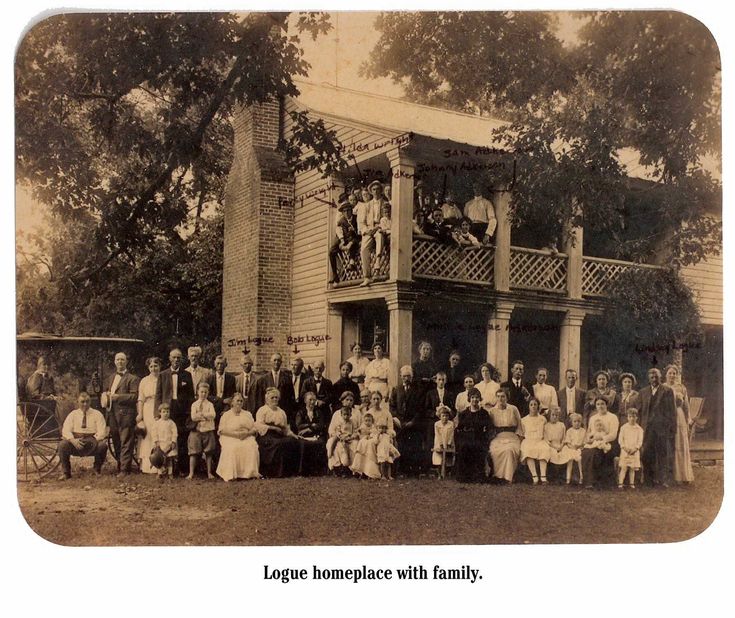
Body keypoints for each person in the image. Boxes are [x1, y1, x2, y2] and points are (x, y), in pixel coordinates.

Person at [156, 348, 195, 475]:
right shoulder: (163, 375)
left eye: (179, 357)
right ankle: (164, 467)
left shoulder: (186, 375)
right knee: (166, 437)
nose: (176, 360)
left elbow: (190, 396)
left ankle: (182, 468)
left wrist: (189, 412)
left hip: (181, 410)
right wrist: (157, 413)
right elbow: (158, 395)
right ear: (169, 358)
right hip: (167, 409)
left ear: (181, 359)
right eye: (174, 357)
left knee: (181, 438)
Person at [638, 367, 677, 488]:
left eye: (656, 377)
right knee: (647, 453)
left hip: (662, 428)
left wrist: (672, 428)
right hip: (647, 428)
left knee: (662, 454)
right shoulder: (643, 392)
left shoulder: (667, 391)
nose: (654, 379)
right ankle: (649, 480)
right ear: (648, 379)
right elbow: (639, 411)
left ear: (660, 378)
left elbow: (672, 411)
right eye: (652, 377)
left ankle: (662, 480)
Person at [102, 352, 140, 477]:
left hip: (126, 414)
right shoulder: (110, 378)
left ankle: (125, 469)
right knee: (116, 440)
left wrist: (117, 397)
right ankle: (120, 465)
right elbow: (106, 394)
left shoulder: (132, 378)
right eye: (118, 360)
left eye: (122, 360)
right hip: (112, 414)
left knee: (126, 441)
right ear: (114, 362)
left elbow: (134, 397)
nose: (120, 362)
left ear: (126, 362)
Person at [57, 392, 108, 480]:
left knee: (103, 446)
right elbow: (65, 430)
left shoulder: (97, 414)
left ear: (90, 402)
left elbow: (102, 431)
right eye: (82, 402)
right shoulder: (73, 414)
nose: (85, 404)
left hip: (92, 443)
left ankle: (96, 470)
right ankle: (66, 473)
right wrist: (73, 440)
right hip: (76, 443)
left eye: (87, 401)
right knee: (62, 445)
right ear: (77, 402)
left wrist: (92, 440)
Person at [391, 365, 430, 475]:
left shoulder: (418, 390)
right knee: (401, 446)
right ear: (400, 376)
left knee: (414, 446)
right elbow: (392, 406)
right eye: (404, 376)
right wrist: (397, 419)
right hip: (400, 423)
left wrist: (413, 421)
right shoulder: (396, 389)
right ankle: (401, 469)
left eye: (408, 376)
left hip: (413, 423)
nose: (406, 379)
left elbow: (421, 408)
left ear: (412, 377)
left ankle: (413, 470)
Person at [254, 387, 301, 478]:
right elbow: (259, 426)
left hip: (279, 435)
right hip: (267, 436)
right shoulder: (262, 410)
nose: (275, 399)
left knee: (292, 441)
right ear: (267, 400)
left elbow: (285, 428)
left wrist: (292, 435)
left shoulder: (281, 412)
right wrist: (273, 428)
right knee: (279, 443)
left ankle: (288, 471)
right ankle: (274, 472)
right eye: (272, 398)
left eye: (276, 397)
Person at [216, 392, 260, 481]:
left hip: (246, 436)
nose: (239, 403)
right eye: (237, 401)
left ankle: (249, 473)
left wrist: (247, 434)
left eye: (241, 401)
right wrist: (235, 435)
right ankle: (231, 474)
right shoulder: (226, 415)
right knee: (233, 447)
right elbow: (221, 430)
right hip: (230, 436)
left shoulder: (248, 414)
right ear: (232, 402)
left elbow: (254, 428)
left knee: (252, 446)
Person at [664, 364, 695, 483]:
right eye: (670, 373)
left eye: (674, 373)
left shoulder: (681, 388)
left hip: (679, 416)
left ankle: (682, 475)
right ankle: (668, 476)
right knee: (668, 446)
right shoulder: (662, 387)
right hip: (666, 417)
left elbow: (686, 405)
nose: (672, 375)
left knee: (680, 444)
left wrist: (688, 420)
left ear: (677, 375)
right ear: (666, 374)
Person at [581, 397, 620, 489]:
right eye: (598, 404)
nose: (600, 406)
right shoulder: (593, 418)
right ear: (595, 406)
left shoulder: (613, 417)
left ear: (606, 405)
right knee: (585, 452)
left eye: (602, 404)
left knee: (595, 453)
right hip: (594, 442)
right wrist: (589, 439)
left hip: (609, 444)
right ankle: (588, 481)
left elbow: (613, 435)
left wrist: (601, 437)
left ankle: (595, 481)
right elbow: (589, 432)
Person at [454, 388, 492, 483]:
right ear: (469, 399)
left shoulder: (484, 413)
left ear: (480, 399)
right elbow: (459, 429)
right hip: (466, 438)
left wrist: (485, 439)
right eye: (472, 397)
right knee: (464, 447)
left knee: (477, 447)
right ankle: (465, 476)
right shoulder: (463, 414)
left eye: (477, 397)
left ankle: (477, 476)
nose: (475, 400)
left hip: (479, 438)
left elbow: (488, 429)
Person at [488, 389, 523, 483]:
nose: (500, 399)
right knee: (495, 451)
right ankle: (497, 476)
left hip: (512, 436)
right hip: (498, 437)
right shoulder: (492, 411)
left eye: (503, 396)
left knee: (509, 450)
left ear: (507, 398)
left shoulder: (513, 409)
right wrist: (491, 437)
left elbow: (520, 424)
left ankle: (508, 477)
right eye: (498, 396)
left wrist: (520, 438)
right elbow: (489, 427)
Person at [136, 356, 162, 474]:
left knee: (158, 434)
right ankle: (146, 465)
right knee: (148, 435)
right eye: (151, 366)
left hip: (159, 409)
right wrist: (140, 414)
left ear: (159, 366)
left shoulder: (163, 378)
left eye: (156, 366)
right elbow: (140, 399)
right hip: (147, 409)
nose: (153, 368)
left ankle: (159, 464)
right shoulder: (144, 381)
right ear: (148, 368)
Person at [251, 352, 296, 422]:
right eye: (274, 360)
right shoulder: (263, 379)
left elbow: (291, 398)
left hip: (283, 413)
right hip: (268, 413)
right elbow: (259, 399)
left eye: (278, 360)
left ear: (281, 362)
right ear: (271, 362)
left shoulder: (287, 378)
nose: (276, 362)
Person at [294, 391, 329, 476]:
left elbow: (321, 424)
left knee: (321, 443)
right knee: (303, 445)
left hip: (316, 435)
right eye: (310, 400)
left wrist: (309, 428)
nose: (312, 402)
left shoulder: (318, 412)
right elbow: (299, 426)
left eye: (314, 400)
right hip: (304, 436)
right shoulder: (301, 412)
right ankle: (303, 471)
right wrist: (311, 425)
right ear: (305, 401)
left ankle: (318, 471)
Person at [187, 381, 217, 480]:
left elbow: (212, 415)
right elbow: (193, 417)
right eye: (201, 392)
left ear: (208, 393)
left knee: (209, 452)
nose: (203, 394)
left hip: (208, 430)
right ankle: (191, 473)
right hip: (196, 431)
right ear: (198, 392)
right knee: (193, 452)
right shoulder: (194, 404)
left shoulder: (210, 405)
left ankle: (209, 472)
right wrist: (205, 416)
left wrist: (202, 415)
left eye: (205, 392)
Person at [328, 196, 360, 284]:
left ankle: (352, 262)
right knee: (331, 251)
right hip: (345, 239)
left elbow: (359, 233)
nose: (346, 213)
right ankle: (335, 274)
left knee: (353, 243)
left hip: (356, 238)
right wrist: (342, 242)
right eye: (344, 211)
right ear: (342, 212)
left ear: (351, 210)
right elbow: (340, 232)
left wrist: (351, 241)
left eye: (348, 210)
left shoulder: (357, 218)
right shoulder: (342, 221)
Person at [357, 180, 383, 286]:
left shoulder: (386, 203)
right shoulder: (366, 205)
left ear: (381, 191)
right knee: (363, 249)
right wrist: (366, 231)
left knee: (380, 236)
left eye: (377, 189)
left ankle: (377, 262)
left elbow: (388, 218)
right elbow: (361, 222)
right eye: (373, 189)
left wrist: (379, 227)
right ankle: (367, 276)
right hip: (369, 230)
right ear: (371, 192)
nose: (376, 191)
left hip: (381, 228)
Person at [520, 398, 551, 484]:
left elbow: (545, 432)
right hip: (528, 441)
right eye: (531, 404)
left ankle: (543, 476)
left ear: (538, 406)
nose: (533, 406)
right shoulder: (523, 420)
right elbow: (522, 434)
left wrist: (547, 441)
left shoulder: (543, 419)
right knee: (528, 451)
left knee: (544, 449)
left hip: (540, 440)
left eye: (535, 404)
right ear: (528, 406)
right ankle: (535, 476)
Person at [327, 392, 358, 474]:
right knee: (331, 442)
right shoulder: (337, 413)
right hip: (339, 437)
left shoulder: (357, 413)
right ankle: (337, 467)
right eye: (347, 400)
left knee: (355, 444)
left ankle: (351, 468)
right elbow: (331, 429)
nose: (349, 402)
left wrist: (352, 436)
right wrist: (337, 435)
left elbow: (359, 429)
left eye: (351, 400)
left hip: (351, 437)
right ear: (342, 401)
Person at [618, 408, 644, 489]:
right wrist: (624, 447)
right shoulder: (624, 427)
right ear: (627, 417)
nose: (632, 418)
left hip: (634, 451)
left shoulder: (639, 429)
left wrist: (635, 448)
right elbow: (620, 439)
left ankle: (631, 483)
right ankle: (620, 483)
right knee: (624, 467)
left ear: (637, 417)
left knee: (632, 468)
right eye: (630, 416)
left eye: (634, 416)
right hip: (625, 450)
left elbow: (640, 441)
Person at [150, 403, 178, 480]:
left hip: (169, 444)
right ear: (160, 413)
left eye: (167, 412)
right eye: (164, 412)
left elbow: (175, 433)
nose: (166, 414)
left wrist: (173, 442)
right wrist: (156, 441)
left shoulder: (171, 423)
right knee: (159, 459)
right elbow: (154, 433)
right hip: (160, 445)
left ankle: (170, 473)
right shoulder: (157, 423)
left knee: (169, 460)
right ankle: (160, 473)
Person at [351, 411, 381, 479]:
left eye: (369, 421)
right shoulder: (362, 427)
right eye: (366, 421)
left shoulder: (373, 427)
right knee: (362, 444)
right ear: (364, 421)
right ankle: (359, 471)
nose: (367, 422)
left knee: (369, 445)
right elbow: (358, 432)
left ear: (372, 421)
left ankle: (368, 472)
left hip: (370, 441)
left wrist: (370, 435)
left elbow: (374, 435)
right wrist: (359, 433)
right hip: (363, 442)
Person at [206, 354, 236, 420]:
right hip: (213, 407)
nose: (219, 366)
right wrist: (222, 400)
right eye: (218, 363)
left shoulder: (231, 379)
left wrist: (226, 410)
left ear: (226, 365)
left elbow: (232, 396)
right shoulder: (209, 379)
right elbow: (208, 395)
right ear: (214, 365)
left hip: (227, 408)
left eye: (222, 364)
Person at [544, 407, 569, 480]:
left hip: (560, 444)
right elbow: (546, 440)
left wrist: (561, 446)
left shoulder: (561, 425)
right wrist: (554, 447)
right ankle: (554, 475)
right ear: (549, 416)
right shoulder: (546, 426)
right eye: (553, 415)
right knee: (552, 453)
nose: (554, 417)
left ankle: (563, 475)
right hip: (552, 445)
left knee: (566, 451)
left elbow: (564, 437)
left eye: (556, 415)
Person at [560, 413, 586, 485]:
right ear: (571, 423)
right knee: (570, 459)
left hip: (580, 448)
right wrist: (572, 447)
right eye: (575, 421)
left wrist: (579, 446)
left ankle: (581, 477)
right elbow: (567, 442)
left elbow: (584, 442)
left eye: (578, 421)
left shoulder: (583, 431)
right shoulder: (569, 431)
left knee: (580, 458)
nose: (577, 423)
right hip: (571, 448)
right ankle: (568, 478)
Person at [432, 406, 455, 477]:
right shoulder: (437, 424)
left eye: (447, 416)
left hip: (448, 441)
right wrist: (441, 443)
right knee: (439, 457)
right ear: (440, 416)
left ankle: (447, 472)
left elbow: (451, 434)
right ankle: (439, 473)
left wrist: (449, 443)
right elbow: (437, 434)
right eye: (443, 416)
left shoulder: (451, 424)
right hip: (439, 442)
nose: (445, 418)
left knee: (448, 458)